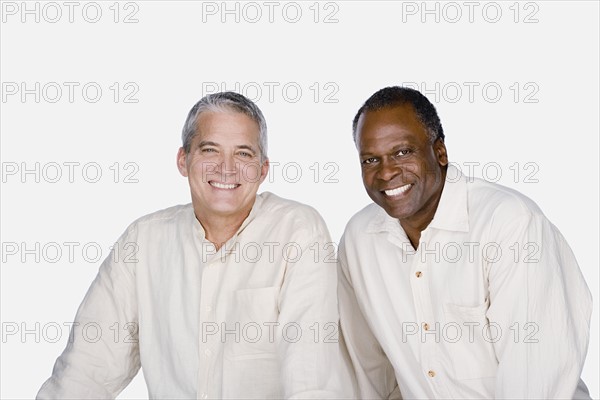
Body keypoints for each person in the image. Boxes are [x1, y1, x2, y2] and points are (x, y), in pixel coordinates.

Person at [38, 92, 354, 399]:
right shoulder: (143, 241)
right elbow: (87, 369)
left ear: (263, 169)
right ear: (183, 160)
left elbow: (311, 373)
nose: (227, 168)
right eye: (209, 150)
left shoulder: (298, 232)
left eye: (243, 153)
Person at [337, 86, 592, 399]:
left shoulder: (508, 224)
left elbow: (535, 379)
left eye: (403, 152)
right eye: (370, 160)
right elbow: (368, 372)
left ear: (440, 152)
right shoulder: (359, 239)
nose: (387, 172)